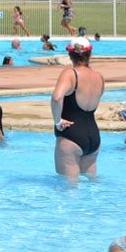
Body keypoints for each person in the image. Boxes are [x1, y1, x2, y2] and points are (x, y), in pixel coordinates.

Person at [51, 37, 104, 181]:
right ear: (90, 54)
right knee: (92, 186)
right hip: (94, 137)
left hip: (71, 136)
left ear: (70, 55)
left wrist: (58, 121)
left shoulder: (70, 74)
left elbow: (56, 98)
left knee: (68, 190)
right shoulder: (99, 77)